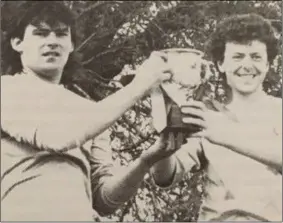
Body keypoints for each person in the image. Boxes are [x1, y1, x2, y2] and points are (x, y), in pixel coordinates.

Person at [1, 1, 177, 221]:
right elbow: (58, 137)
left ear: (72, 44)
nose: (52, 41)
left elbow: (104, 199)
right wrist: (139, 85)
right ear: (17, 43)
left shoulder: (90, 111)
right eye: (41, 33)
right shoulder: (6, 90)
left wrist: (145, 161)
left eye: (61, 34)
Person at [149, 13, 282, 221]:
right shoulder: (205, 115)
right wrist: (163, 137)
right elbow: (165, 177)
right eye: (237, 57)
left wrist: (224, 134)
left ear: (267, 64)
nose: (247, 65)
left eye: (256, 57)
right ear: (221, 64)